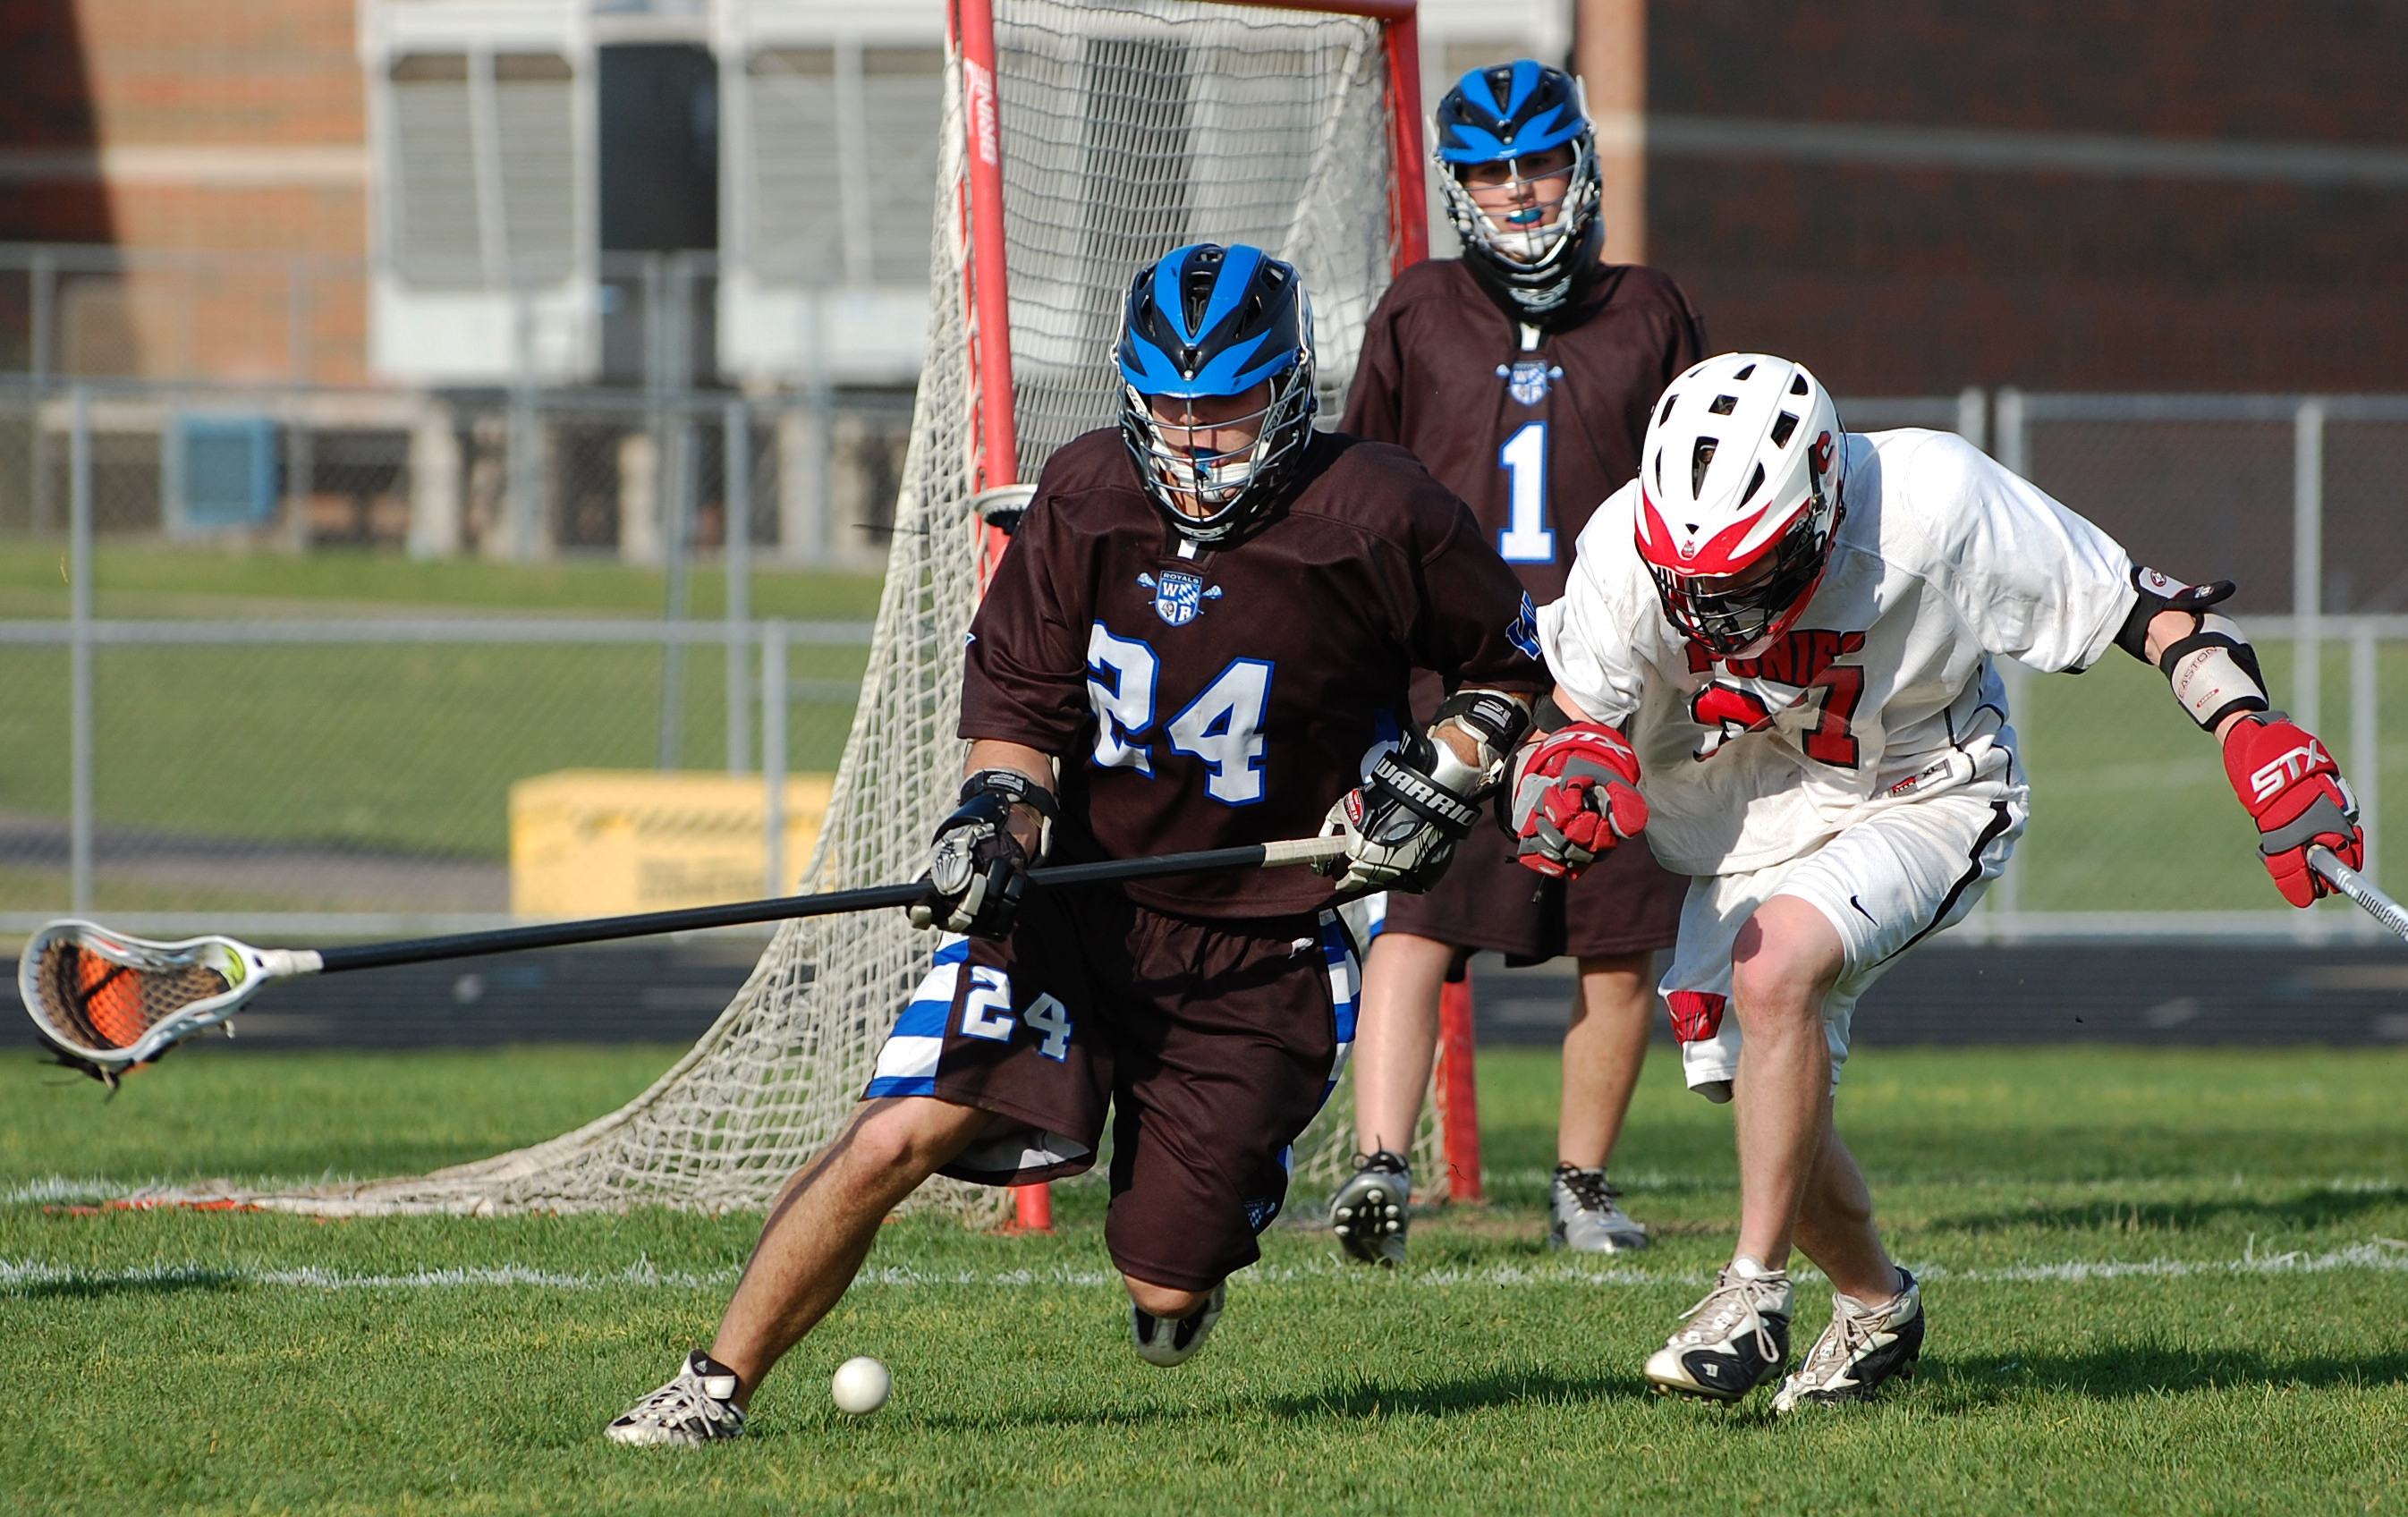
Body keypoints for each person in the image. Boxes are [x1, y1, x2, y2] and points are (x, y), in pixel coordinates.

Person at [605, 242, 1547, 1445]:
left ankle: (1196, 1223)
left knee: (1166, 1280)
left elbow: (1508, 666)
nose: (1196, 440)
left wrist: (1446, 776)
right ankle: (712, 1388)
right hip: (1076, 908)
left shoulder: (1380, 512)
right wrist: (994, 822)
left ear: (1291, 389)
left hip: (1256, 942)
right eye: (1170, 408)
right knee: (897, 1129)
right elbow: (1020, 719)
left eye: (1228, 409)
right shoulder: (1088, 495)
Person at [1513, 351, 2362, 1409]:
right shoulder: (1621, 547)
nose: (1718, 613)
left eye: (1748, 576)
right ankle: (1875, 1306)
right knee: (1762, 1085)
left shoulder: (1936, 501)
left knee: (1773, 973)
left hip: (1925, 788)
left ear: (1823, 505)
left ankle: (1750, 1294)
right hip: (1751, 823)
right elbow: (1571, 713)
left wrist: (2253, 733)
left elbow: (2148, 610)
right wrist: (1559, 769)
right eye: (1695, 584)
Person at [1331, 60, 1705, 1263]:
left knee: (1619, 942)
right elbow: (1354, 498)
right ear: (1456, 185)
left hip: (1617, 676)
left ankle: (1580, 1187)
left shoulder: (1650, 312)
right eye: (1489, 170)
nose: (1517, 189)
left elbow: (1699, 489)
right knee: (1418, 916)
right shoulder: (1419, 308)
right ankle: (1381, 1171)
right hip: (1459, 673)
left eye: (1538, 161)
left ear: (1581, 164)